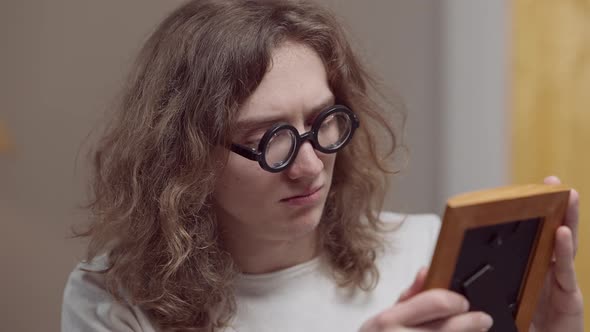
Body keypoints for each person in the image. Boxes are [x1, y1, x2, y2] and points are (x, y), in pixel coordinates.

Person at [61, 0, 583, 331]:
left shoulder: (426, 254)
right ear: (185, 157)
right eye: (269, 138)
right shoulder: (112, 301)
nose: (309, 165)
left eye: (323, 121)